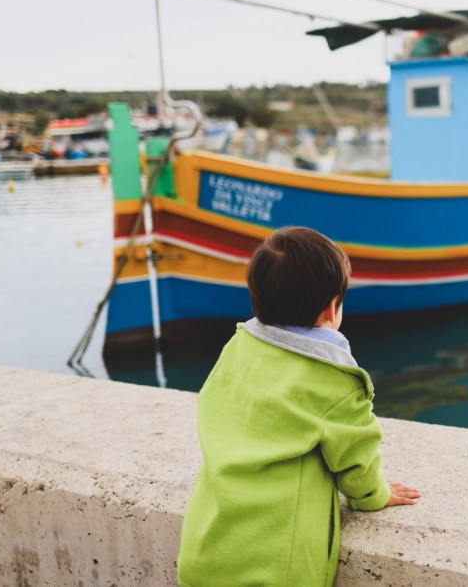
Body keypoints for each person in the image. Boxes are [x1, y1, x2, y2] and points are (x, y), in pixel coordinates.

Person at [177, 226, 420, 586]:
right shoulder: (332, 376)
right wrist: (374, 496)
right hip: (275, 566)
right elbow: (356, 455)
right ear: (332, 308)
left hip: (205, 547)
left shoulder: (238, 347)